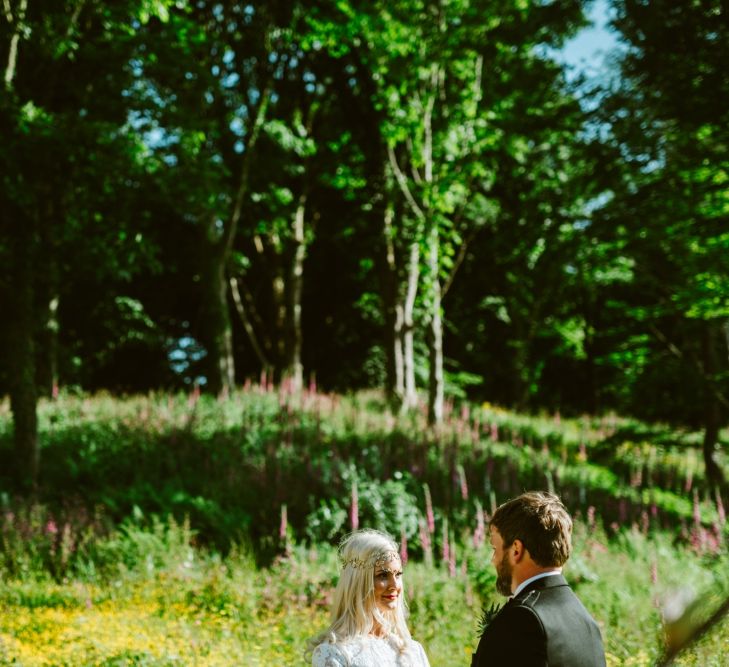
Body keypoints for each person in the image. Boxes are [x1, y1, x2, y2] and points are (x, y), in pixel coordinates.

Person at [471, 491, 606, 666]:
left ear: (516, 550)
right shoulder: (586, 622)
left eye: (495, 548)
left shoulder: (521, 620)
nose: (493, 560)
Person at [309, 529, 430, 667]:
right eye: (383, 575)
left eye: (398, 574)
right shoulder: (335, 653)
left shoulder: (413, 651)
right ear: (358, 583)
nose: (394, 585)